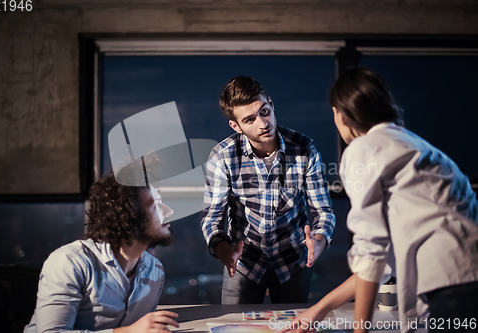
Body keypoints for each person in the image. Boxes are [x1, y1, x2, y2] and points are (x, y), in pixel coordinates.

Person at [279, 67, 478, 333]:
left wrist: (361, 330)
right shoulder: (416, 146)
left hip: (451, 287)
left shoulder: (364, 149)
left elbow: (370, 251)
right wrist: (318, 310)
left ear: (342, 113)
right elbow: (380, 261)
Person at [201, 76, 336, 304]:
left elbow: (324, 210)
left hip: (293, 262)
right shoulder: (222, 156)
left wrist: (320, 241)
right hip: (244, 264)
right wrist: (225, 252)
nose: (263, 123)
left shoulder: (304, 148)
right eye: (250, 119)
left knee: (294, 329)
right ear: (236, 126)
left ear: (271, 104)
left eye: (264, 111)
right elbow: (212, 219)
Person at [24, 173, 180, 333]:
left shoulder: (156, 270)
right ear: (129, 216)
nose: (169, 211)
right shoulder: (69, 262)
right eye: (156, 206)